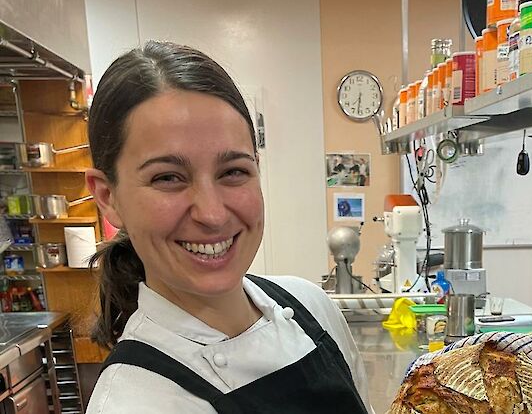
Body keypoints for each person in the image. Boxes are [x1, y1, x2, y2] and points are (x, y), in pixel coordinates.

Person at [84, 41, 373, 413]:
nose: (213, 214)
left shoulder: (311, 306)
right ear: (108, 196)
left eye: (233, 171)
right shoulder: (134, 402)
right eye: (168, 177)